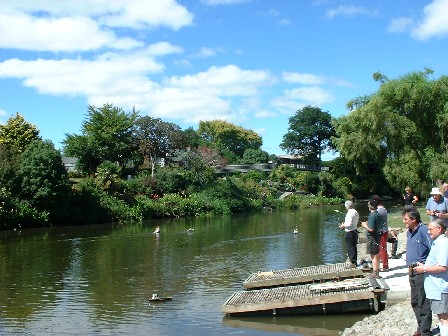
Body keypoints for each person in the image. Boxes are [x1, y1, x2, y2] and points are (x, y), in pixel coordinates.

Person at [402, 206, 433, 336]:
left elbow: (433, 248)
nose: (404, 221)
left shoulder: (423, 231)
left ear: (413, 219)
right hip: (411, 271)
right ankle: (420, 327)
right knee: (414, 301)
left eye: (406, 219)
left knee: (423, 301)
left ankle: (425, 331)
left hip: (421, 271)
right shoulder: (409, 231)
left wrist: (426, 265)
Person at [414, 219, 448, 336]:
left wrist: (423, 269)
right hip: (435, 288)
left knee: (444, 319)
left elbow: (443, 267)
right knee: (442, 317)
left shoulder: (443, 243)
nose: (428, 232)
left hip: (440, 288)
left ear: (439, 229)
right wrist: (424, 266)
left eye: (430, 229)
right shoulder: (438, 242)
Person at [361, 198, 383, 278]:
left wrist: (365, 225)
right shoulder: (378, 214)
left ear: (370, 206)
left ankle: (375, 273)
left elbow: (371, 229)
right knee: (376, 254)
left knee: (373, 255)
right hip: (377, 236)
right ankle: (376, 271)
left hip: (372, 238)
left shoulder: (372, 216)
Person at [339, 200, 360, 267]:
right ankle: (354, 261)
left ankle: (353, 263)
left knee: (350, 247)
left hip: (350, 232)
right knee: (353, 247)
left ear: (347, 206)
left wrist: (343, 226)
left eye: (346, 206)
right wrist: (345, 224)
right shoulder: (355, 211)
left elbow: (349, 223)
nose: (345, 207)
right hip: (354, 231)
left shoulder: (350, 213)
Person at [372, 195, 389, 271]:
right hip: (383, 230)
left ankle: (385, 266)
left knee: (382, 248)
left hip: (382, 231)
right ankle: (383, 264)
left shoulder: (380, 210)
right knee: (382, 248)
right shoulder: (383, 209)